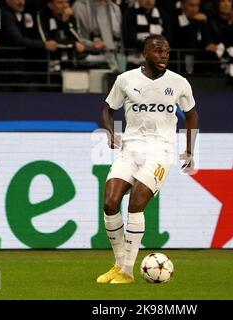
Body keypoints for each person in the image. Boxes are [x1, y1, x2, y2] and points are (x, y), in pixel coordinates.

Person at [97, 34, 199, 284]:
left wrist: (189, 149)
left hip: (160, 152)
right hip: (130, 150)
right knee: (110, 203)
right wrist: (110, 131)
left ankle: (128, 271)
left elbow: (192, 115)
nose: (164, 54)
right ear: (145, 53)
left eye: (166, 51)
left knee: (135, 205)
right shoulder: (125, 80)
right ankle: (119, 264)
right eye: (158, 50)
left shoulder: (179, 83)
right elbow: (108, 109)